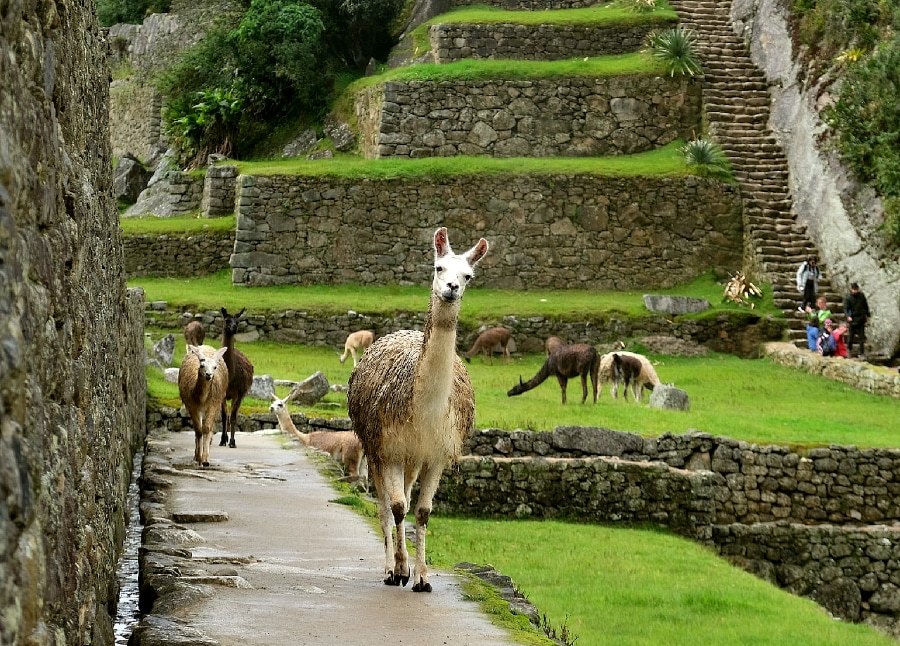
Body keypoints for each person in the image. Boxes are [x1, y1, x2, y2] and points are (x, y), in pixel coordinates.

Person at [843, 282, 871, 360]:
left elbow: (865, 306)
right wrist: (848, 316)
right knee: (851, 336)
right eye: (854, 290)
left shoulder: (861, 296)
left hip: (861, 319)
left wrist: (868, 315)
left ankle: (861, 353)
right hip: (853, 319)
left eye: (856, 289)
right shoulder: (848, 297)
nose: (855, 291)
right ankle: (849, 350)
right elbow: (845, 308)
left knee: (861, 337)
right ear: (851, 290)